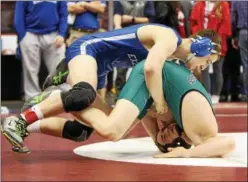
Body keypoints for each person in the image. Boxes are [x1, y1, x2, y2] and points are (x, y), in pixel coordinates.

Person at [2, 23, 221, 148]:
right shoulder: (169, 38)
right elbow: (150, 69)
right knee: (83, 96)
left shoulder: (173, 60)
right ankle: (21, 121)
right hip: (90, 50)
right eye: (207, 61)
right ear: (201, 46)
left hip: (102, 68)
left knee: (83, 131)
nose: (203, 67)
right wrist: (162, 105)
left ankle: (30, 126)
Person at [8, 59, 235, 158]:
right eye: (174, 138)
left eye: (165, 143)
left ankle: (31, 122)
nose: (166, 138)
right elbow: (228, 143)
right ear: (184, 133)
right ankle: (63, 97)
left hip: (154, 89)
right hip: (151, 77)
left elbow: (148, 118)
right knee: (113, 131)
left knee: (86, 130)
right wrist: (187, 154)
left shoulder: (168, 123)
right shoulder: (199, 124)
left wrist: (164, 143)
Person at [14, 1, 68, 100]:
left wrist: (62, 34)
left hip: (54, 34)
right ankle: (32, 98)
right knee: (30, 70)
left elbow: (64, 14)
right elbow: (18, 16)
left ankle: (59, 97)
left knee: (58, 68)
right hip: (30, 34)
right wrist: (23, 37)